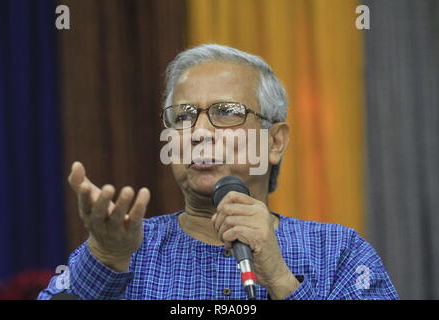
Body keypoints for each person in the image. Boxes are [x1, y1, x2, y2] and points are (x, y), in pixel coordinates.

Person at [38, 44, 399, 300]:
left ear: (275, 141)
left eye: (226, 112)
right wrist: (105, 258)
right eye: (183, 116)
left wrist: (279, 278)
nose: (199, 131)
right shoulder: (128, 247)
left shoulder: (338, 252)